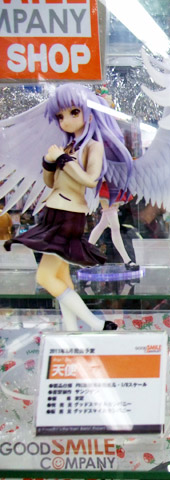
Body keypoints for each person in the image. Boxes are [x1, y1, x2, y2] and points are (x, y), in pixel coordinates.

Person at [3, 84, 133, 331]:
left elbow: (90, 180)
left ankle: (96, 324)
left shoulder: (93, 146)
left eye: (74, 112)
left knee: (44, 276)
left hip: (69, 215)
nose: (66, 120)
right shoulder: (67, 146)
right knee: (61, 275)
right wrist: (49, 162)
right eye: (61, 116)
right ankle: (71, 330)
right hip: (53, 213)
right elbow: (50, 182)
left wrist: (63, 160)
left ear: (89, 114)